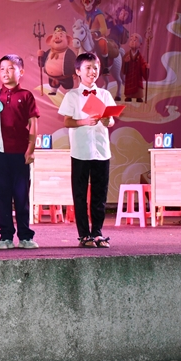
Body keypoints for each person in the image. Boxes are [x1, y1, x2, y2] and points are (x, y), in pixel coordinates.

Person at [57, 52, 116, 248]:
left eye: (95, 68)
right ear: (78, 71)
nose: (92, 72)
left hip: (101, 150)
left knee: (100, 194)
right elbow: (66, 121)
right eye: (88, 68)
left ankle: (97, 233)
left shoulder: (105, 94)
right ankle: (84, 235)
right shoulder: (72, 95)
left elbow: (110, 120)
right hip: (80, 151)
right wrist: (84, 121)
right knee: (80, 194)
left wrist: (107, 120)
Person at [0, 54, 40, 249]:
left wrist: (30, 150)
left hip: (20, 155)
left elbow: (33, 123)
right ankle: (5, 237)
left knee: (22, 196)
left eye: (10, 68)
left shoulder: (26, 96)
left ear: (21, 72)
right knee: (2, 196)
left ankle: (25, 236)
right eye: (2, 69)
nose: (5, 72)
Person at [122, 33, 149, 102]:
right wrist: (125, 62)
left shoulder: (140, 56)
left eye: (135, 40)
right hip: (129, 75)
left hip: (137, 76)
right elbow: (123, 66)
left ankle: (138, 97)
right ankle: (129, 96)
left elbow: (143, 64)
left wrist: (146, 66)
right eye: (131, 40)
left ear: (140, 44)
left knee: (138, 85)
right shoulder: (127, 54)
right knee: (129, 85)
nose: (132, 42)